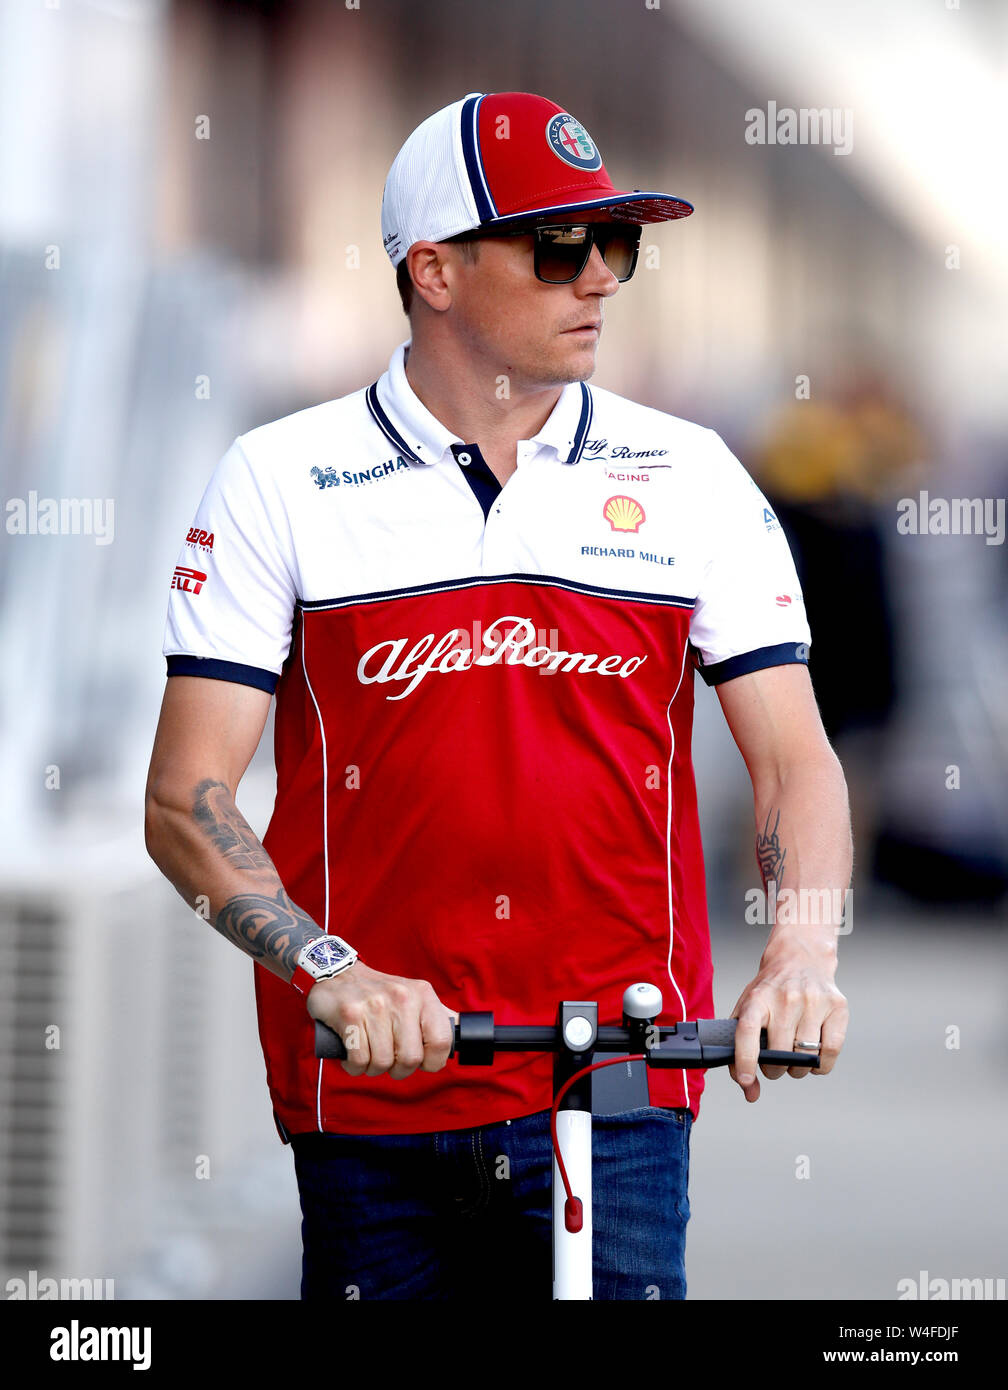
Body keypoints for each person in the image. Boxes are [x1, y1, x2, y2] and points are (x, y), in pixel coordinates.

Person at [144, 91, 852, 1301]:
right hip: (366, 1081)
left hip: (618, 1083)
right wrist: (329, 968)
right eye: (559, 246)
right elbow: (185, 796)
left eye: (617, 244)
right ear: (433, 269)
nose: (601, 280)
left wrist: (800, 952)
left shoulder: (691, 474)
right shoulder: (280, 478)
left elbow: (793, 757)